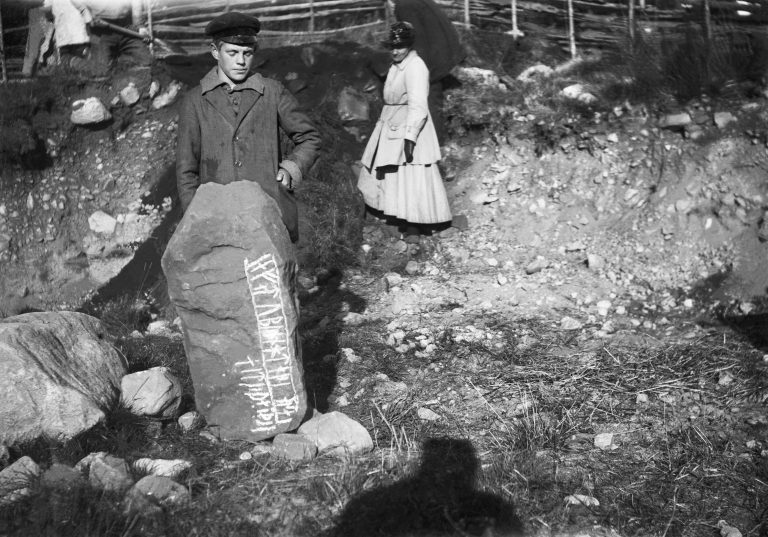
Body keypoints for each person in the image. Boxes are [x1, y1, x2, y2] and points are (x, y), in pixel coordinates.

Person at [175, 11, 321, 242]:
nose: (241, 61)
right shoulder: (194, 101)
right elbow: (186, 171)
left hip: (270, 213)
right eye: (232, 53)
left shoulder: (272, 92)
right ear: (215, 52)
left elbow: (310, 138)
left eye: (247, 53)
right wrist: (196, 219)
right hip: (218, 218)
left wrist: (291, 169)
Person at [357, 22, 451, 239]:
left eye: (400, 46)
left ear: (409, 46)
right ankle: (392, 215)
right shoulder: (396, 65)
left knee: (412, 173)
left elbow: (418, 105)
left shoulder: (416, 67)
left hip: (410, 124)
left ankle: (415, 226)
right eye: (392, 46)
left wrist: (410, 136)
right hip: (392, 121)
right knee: (390, 172)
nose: (395, 51)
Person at [388, 0, 465, 144]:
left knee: (427, 101)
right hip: (445, 52)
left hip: (432, 58)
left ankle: (434, 146)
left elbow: (417, 40)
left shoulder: (404, 6)